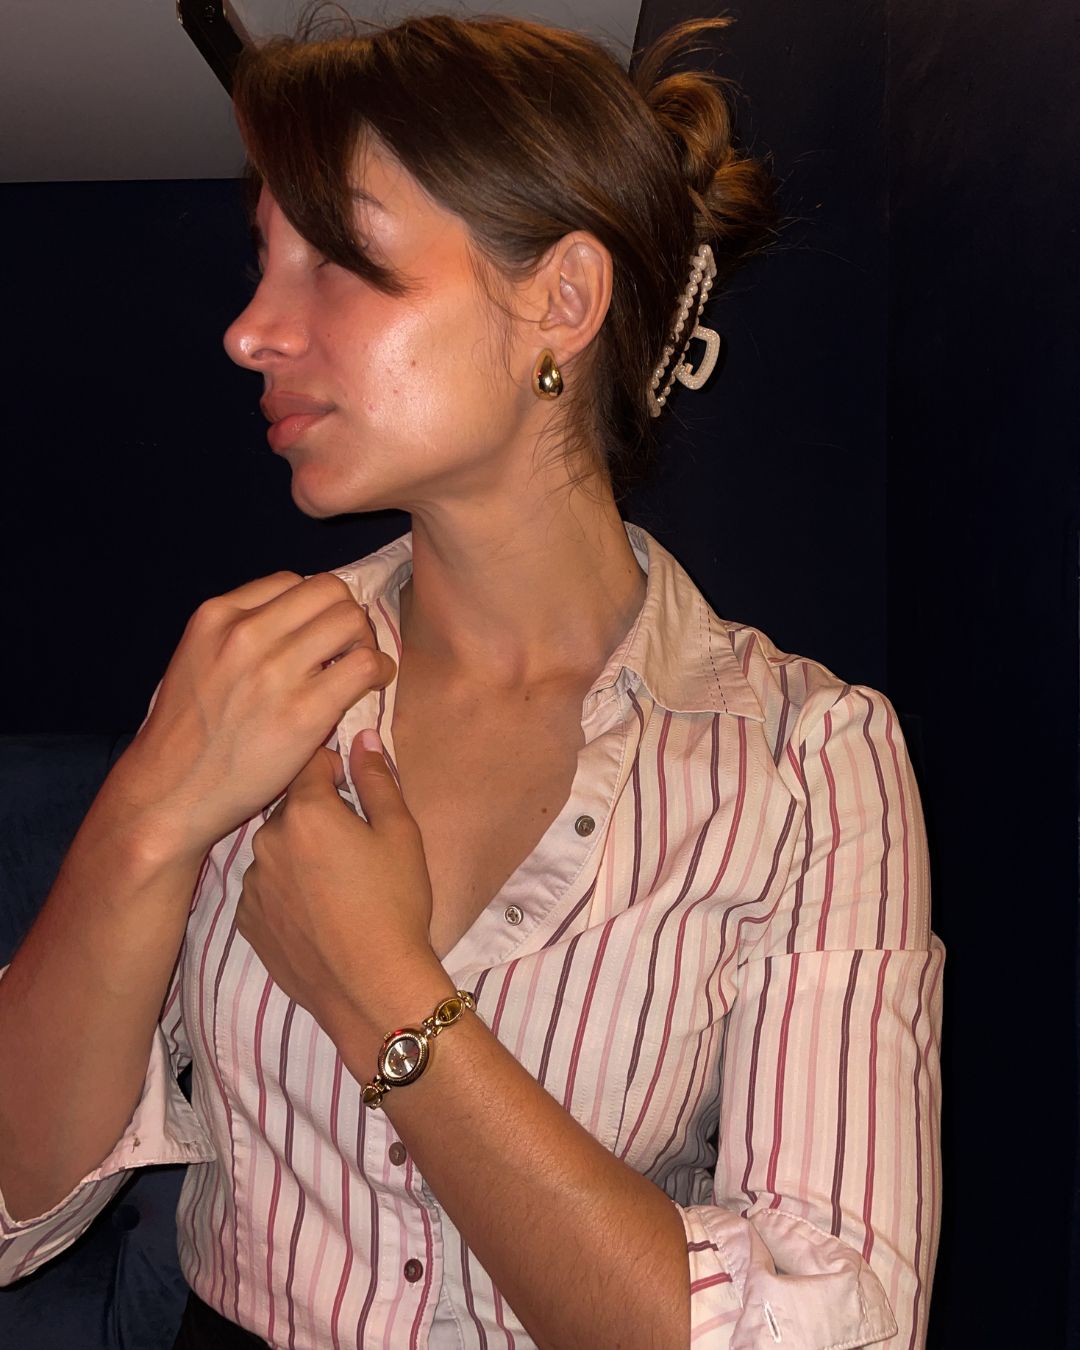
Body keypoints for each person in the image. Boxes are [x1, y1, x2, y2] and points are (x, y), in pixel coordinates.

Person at [0, 10, 944, 1348]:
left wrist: (381, 991)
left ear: (562, 300)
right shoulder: (247, 676)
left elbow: (835, 1323)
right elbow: (15, 1209)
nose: (250, 332)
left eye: (337, 261)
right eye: (263, 264)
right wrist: (146, 817)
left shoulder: (808, 762)